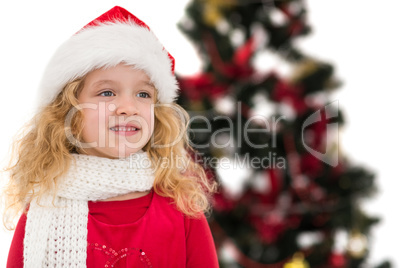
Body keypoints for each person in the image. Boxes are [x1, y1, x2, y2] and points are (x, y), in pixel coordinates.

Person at [3, 6, 219, 267]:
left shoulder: (183, 212)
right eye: (107, 93)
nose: (128, 107)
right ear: (68, 113)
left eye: (143, 94)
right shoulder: (40, 215)